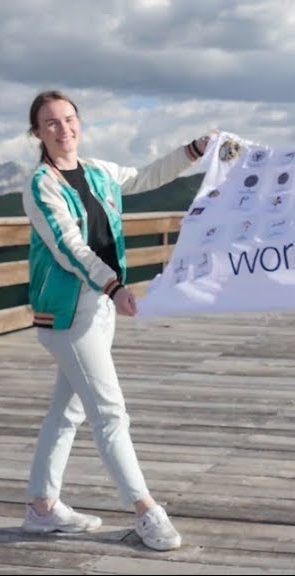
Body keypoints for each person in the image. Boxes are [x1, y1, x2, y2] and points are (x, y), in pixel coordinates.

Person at [20, 89, 212, 551]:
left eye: (69, 119)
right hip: (69, 313)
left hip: (100, 306)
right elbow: (70, 247)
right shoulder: (41, 185)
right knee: (109, 412)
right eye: (51, 123)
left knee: (67, 412)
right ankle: (146, 510)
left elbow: (147, 176)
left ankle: (41, 508)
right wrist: (114, 286)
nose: (63, 129)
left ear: (79, 123)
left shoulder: (99, 172)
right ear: (38, 133)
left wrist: (194, 150)